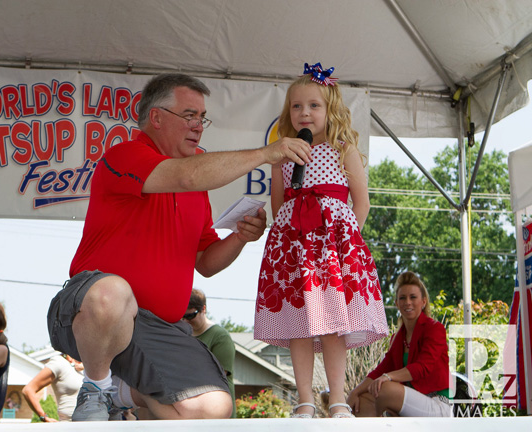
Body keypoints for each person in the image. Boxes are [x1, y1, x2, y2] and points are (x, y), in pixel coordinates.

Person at [47, 72, 313, 422]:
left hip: (159, 331)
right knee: (111, 292)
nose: (199, 126)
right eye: (189, 116)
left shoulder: (196, 191)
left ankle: (124, 393)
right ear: (156, 118)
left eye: (202, 118)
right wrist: (266, 153)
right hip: (91, 316)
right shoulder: (125, 155)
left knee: (213, 409)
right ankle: (95, 389)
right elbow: (187, 175)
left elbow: (206, 262)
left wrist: (240, 237)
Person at [255, 63, 389, 419]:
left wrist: (344, 242)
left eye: (314, 105)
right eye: (297, 106)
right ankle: (304, 400)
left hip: (332, 253)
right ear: (288, 113)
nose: (305, 112)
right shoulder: (281, 156)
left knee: (333, 326)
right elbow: (280, 204)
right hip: (295, 251)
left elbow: (361, 203)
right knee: (299, 325)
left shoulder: (343, 149)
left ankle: (339, 399)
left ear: (330, 110)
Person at [347, 271, 452, 417]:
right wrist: (354, 392)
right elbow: (379, 371)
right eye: (402, 298)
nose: (407, 302)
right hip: (409, 402)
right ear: (396, 303)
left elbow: (423, 367)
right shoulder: (398, 338)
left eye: (413, 297)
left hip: (438, 403)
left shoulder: (435, 329)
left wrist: (388, 377)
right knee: (362, 400)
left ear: (423, 301)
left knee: (384, 388)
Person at [184, 288, 236, 418]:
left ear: (203, 309)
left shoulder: (219, 336)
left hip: (218, 411)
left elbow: (217, 377)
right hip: (193, 410)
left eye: (190, 315)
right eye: (183, 316)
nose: (186, 320)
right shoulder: (183, 336)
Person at [22, 353, 84, 422]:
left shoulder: (87, 365)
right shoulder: (59, 362)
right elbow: (28, 390)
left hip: (92, 425)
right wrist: (43, 417)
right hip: (69, 426)